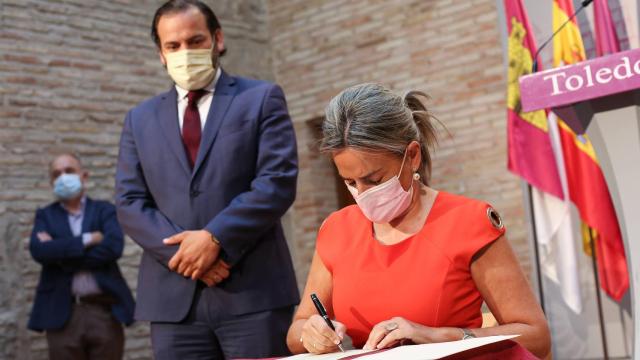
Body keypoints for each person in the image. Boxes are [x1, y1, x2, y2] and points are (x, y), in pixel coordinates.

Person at [286, 84, 551, 359]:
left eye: (374, 180)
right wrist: (312, 333)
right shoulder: (336, 229)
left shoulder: (469, 223)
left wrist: (439, 336)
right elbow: (296, 333)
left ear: (412, 156)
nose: (362, 194)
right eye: (350, 182)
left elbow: (536, 336)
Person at [114, 0, 299, 358]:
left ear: (217, 39)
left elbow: (276, 181)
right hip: (173, 302)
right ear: (161, 54)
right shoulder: (139, 119)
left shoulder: (260, 99)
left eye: (195, 41)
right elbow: (130, 203)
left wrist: (216, 238)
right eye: (173, 45)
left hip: (252, 292)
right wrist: (190, 255)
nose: (185, 52)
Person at [28, 153, 134, 360]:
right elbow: (39, 251)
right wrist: (87, 239)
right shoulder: (45, 215)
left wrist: (59, 252)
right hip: (62, 313)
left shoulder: (104, 210)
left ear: (84, 176)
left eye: (69, 171)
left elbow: (113, 248)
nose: (63, 177)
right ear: (51, 182)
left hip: (103, 310)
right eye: (56, 174)